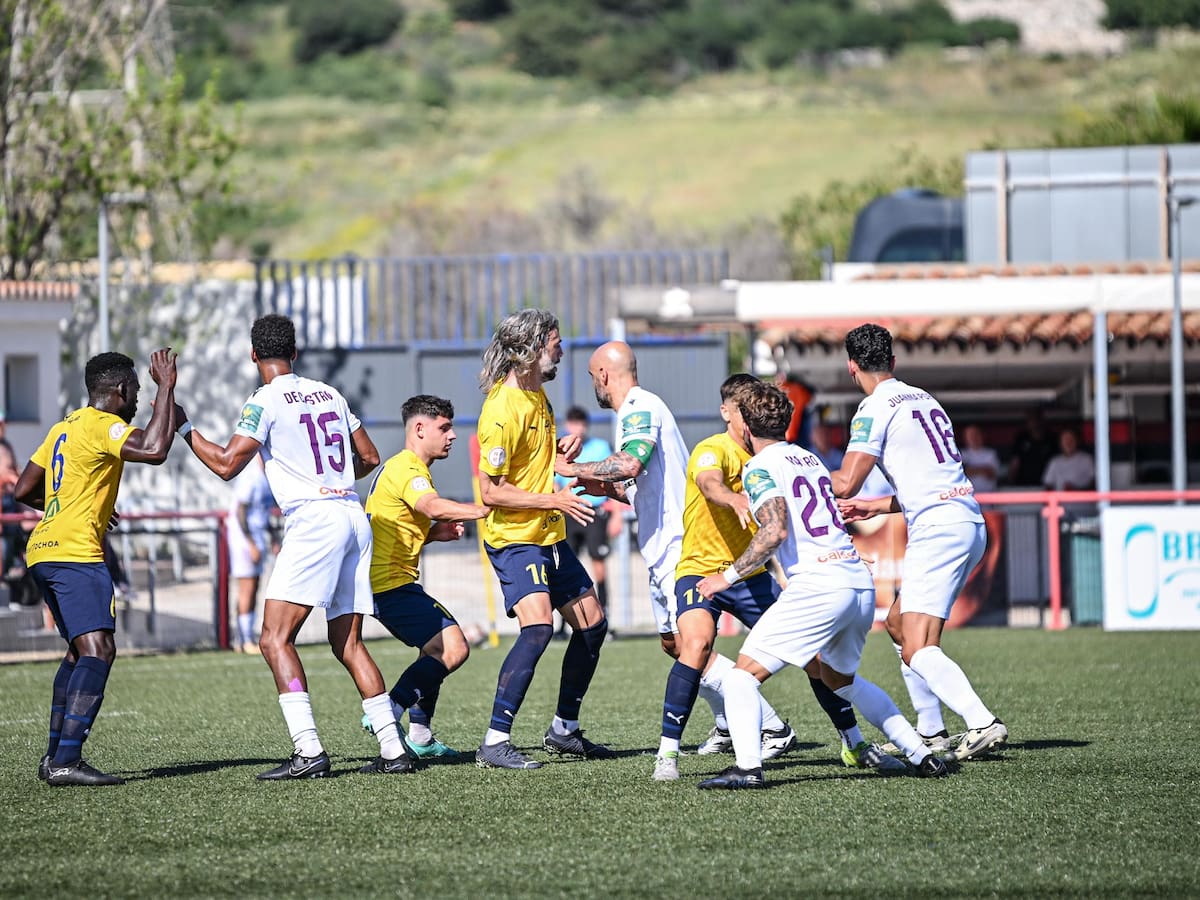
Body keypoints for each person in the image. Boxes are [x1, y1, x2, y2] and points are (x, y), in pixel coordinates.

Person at [175, 314, 414, 778]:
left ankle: (309, 751)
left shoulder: (264, 399)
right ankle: (393, 749)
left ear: (253, 355)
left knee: (273, 638)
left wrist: (186, 429)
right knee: (348, 643)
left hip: (315, 521)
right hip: (352, 514)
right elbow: (369, 457)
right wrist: (333, 480)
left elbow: (226, 464)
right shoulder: (329, 392)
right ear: (295, 353)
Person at [642, 373, 903, 782]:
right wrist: (733, 498)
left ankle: (854, 743)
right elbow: (709, 484)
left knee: (816, 660)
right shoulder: (713, 449)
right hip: (701, 570)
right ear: (729, 413)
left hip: (750, 573)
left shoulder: (775, 456)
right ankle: (667, 755)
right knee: (694, 645)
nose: (746, 416)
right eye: (740, 408)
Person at [695, 380, 948, 789]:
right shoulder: (810, 459)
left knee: (741, 678)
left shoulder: (759, 466)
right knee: (840, 681)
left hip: (819, 585)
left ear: (746, 426)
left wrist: (724, 578)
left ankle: (747, 769)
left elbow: (774, 531)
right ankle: (921, 754)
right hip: (856, 582)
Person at [558, 346, 797, 775]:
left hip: (678, 549)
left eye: (593, 376)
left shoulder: (639, 406)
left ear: (604, 375)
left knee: (693, 645)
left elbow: (631, 463)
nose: (595, 384)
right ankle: (729, 723)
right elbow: (642, 484)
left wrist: (571, 469)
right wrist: (606, 489)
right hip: (661, 548)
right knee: (675, 645)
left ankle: (770, 725)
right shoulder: (635, 412)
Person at [831, 323, 1007, 762]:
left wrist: (795, 475)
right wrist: (876, 507)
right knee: (897, 624)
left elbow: (846, 482)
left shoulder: (874, 407)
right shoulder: (924, 398)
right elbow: (928, 479)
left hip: (939, 530)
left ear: (851, 367)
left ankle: (982, 722)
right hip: (965, 520)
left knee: (918, 645)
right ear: (892, 361)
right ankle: (930, 731)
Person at [14, 349, 178, 786]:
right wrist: (166, 386)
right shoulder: (103, 424)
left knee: (78, 652)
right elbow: (155, 448)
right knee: (99, 650)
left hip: (43, 549)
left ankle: (54, 759)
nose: (138, 399)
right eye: (137, 391)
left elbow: (23, 489)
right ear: (121, 389)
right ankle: (66, 761)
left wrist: (73, 505)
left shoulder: (64, 426)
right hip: (74, 554)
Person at [473, 309, 612, 770]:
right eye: (555, 343)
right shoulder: (502, 410)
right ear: (530, 350)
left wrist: (561, 451)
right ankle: (494, 742)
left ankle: (563, 730)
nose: (562, 351)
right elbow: (491, 491)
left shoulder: (538, 395)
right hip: (516, 539)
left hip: (548, 536)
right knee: (537, 629)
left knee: (593, 626)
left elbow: (534, 459)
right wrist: (555, 499)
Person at [362, 394, 489, 759]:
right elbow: (431, 505)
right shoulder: (408, 469)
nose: (452, 435)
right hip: (390, 585)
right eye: (444, 428)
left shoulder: (404, 468)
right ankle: (388, 712)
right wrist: (484, 508)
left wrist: (433, 534)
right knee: (454, 647)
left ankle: (420, 735)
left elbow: (395, 528)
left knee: (432, 651)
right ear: (419, 429)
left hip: (389, 582)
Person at [553, 406, 613, 618]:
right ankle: (565, 621)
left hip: (594, 512)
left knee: (598, 562)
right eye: (573, 423)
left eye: (581, 423)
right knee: (565, 566)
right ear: (567, 425)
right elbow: (555, 483)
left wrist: (616, 516)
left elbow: (613, 481)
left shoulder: (601, 447)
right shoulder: (560, 449)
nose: (577, 428)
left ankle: (604, 613)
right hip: (569, 512)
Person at [225, 454, 275, 653]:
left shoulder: (267, 476)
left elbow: (262, 511)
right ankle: (245, 639)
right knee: (247, 587)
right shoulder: (251, 476)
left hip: (257, 536)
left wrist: (273, 538)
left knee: (255, 587)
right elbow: (241, 512)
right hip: (244, 539)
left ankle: (244, 638)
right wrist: (251, 543)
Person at [1008, 410, 1057, 487]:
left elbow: (1057, 463)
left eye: (1037, 419)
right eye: (1031, 420)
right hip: (1023, 484)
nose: (1035, 423)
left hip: (1045, 484)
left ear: (1042, 421)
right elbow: (1015, 462)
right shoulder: (1021, 438)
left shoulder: (1051, 438)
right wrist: (1011, 481)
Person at [960, 424, 1001, 493]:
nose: (973, 438)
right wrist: (982, 469)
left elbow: (991, 474)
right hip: (968, 496)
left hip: (989, 495)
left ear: (982, 435)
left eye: (975, 434)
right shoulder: (960, 454)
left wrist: (970, 469)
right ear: (965, 438)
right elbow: (961, 474)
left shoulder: (990, 453)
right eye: (970, 435)